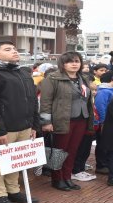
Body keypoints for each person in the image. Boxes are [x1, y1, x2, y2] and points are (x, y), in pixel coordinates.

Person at [0, 41, 40, 203]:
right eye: (8, 49)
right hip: (3, 128)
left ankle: (13, 190)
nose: (14, 51)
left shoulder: (23, 73)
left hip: (24, 126)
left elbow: (33, 100)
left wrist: (34, 125)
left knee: (16, 161)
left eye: (14, 48)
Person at [40, 52, 94, 190]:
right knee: (60, 150)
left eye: (77, 61)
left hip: (81, 119)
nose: (75, 64)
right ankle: (57, 179)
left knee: (72, 150)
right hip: (62, 119)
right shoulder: (53, 78)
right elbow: (45, 102)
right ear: (63, 64)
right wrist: (46, 122)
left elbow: (87, 100)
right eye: (70, 62)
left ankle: (67, 177)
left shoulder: (84, 78)